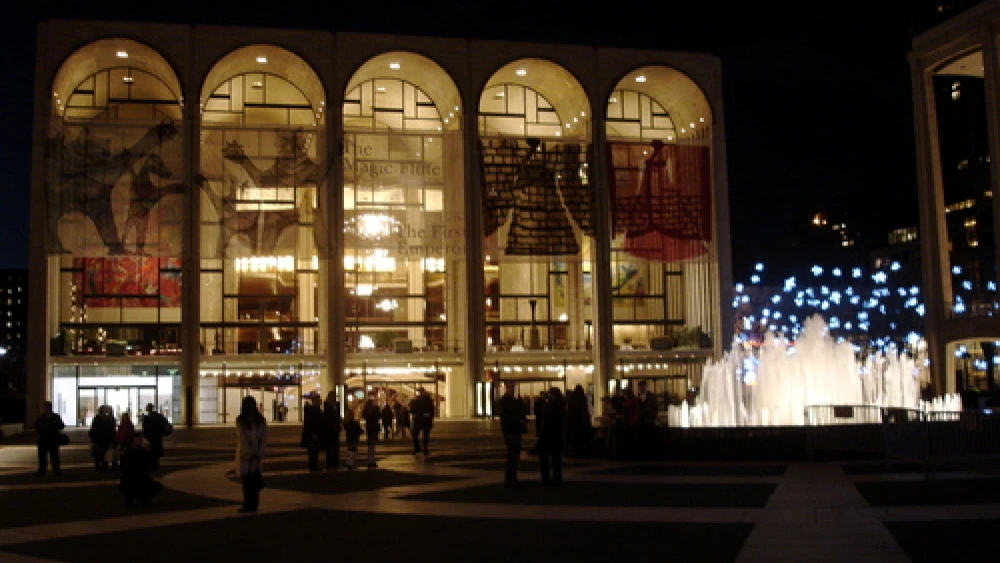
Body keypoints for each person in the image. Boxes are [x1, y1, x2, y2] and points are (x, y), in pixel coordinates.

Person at [236, 395, 267, 513]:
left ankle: (248, 503)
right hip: (253, 455)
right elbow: (264, 437)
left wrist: (249, 451)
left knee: (247, 480)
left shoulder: (241, 421)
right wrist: (258, 451)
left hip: (247, 455)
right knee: (253, 478)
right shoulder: (260, 420)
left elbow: (242, 438)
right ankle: (253, 503)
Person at [496, 381, 527, 487]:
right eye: (510, 387)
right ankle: (510, 478)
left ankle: (512, 477)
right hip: (511, 430)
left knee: (514, 455)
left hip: (514, 430)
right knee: (512, 455)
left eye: (513, 387)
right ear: (506, 388)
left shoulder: (513, 400)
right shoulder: (505, 401)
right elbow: (508, 416)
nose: (512, 389)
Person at [119, 433, 162, 507]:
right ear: (133, 441)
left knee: (154, 486)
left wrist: (149, 451)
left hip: (139, 477)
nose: (140, 442)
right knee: (134, 485)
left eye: (140, 440)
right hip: (131, 478)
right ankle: (137, 498)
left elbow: (151, 466)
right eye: (138, 440)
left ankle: (140, 498)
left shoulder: (140, 451)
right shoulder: (129, 452)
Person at [538, 386, 566, 485]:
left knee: (545, 458)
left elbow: (545, 416)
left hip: (549, 434)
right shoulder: (561, 404)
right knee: (556, 459)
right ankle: (556, 477)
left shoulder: (551, 405)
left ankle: (547, 478)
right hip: (556, 435)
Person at [34, 401, 66, 476]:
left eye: (47, 407)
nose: (46, 409)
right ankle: (42, 470)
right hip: (43, 439)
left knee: (54, 456)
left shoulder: (55, 417)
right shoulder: (41, 418)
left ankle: (56, 469)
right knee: (42, 456)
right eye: (45, 407)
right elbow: (36, 427)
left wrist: (55, 425)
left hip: (53, 439)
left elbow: (61, 425)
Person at [141, 403, 172, 470]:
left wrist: (144, 437)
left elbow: (145, 430)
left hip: (150, 438)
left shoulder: (146, 418)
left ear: (147, 409)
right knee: (155, 453)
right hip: (157, 437)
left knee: (150, 452)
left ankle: (151, 466)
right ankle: (155, 465)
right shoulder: (158, 417)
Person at [565, 385, 593, 458]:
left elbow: (571, 410)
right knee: (582, 439)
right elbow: (585, 410)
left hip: (574, 422)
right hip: (582, 422)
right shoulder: (583, 398)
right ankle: (583, 452)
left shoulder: (572, 399)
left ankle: (576, 452)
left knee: (575, 439)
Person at [300, 394, 325, 472]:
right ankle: (313, 466)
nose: (320, 401)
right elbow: (312, 423)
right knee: (313, 451)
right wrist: (314, 433)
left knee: (314, 451)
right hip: (313, 433)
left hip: (313, 433)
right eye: (319, 400)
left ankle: (313, 465)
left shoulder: (312, 410)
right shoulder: (313, 410)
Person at [89, 405, 117, 472]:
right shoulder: (106, 419)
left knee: (104, 453)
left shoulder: (108, 418)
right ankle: (101, 466)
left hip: (104, 439)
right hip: (100, 439)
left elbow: (112, 430)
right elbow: (94, 429)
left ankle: (103, 466)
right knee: (100, 453)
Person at [637, 380, 660, 459]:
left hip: (649, 420)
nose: (641, 389)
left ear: (646, 387)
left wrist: (653, 416)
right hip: (640, 421)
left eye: (643, 387)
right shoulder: (638, 396)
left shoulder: (652, 396)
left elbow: (655, 408)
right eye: (640, 387)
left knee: (649, 437)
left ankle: (650, 453)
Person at [409, 387, 435, 456]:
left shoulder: (415, 400)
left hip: (418, 419)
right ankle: (425, 449)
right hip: (426, 420)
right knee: (425, 435)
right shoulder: (429, 400)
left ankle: (416, 448)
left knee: (415, 434)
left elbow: (412, 410)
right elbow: (432, 411)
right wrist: (429, 417)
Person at [322, 391, 342, 470]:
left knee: (336, 446)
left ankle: (335, 462)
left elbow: (337, 415)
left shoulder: (337, 404)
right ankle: (329, 462)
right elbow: (326, 417)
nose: (334, 397)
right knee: (329, 446)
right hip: (329, 429)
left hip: (336, 428)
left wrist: (338, 422)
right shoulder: (326, 405)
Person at [362, 397, 381, 468]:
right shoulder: (375, 409)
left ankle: (369, 459)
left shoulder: (366, 410)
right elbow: (379, 416)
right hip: (374, 427)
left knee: (370, 444)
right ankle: (372, 459)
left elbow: (364, 416)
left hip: (369, 427)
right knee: (373, 444)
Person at [528, 391, 548, 455]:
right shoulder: (543, 402)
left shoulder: (539, 401)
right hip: (541, 418)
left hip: (539, 418)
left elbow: (535, 409)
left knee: (539, 427)